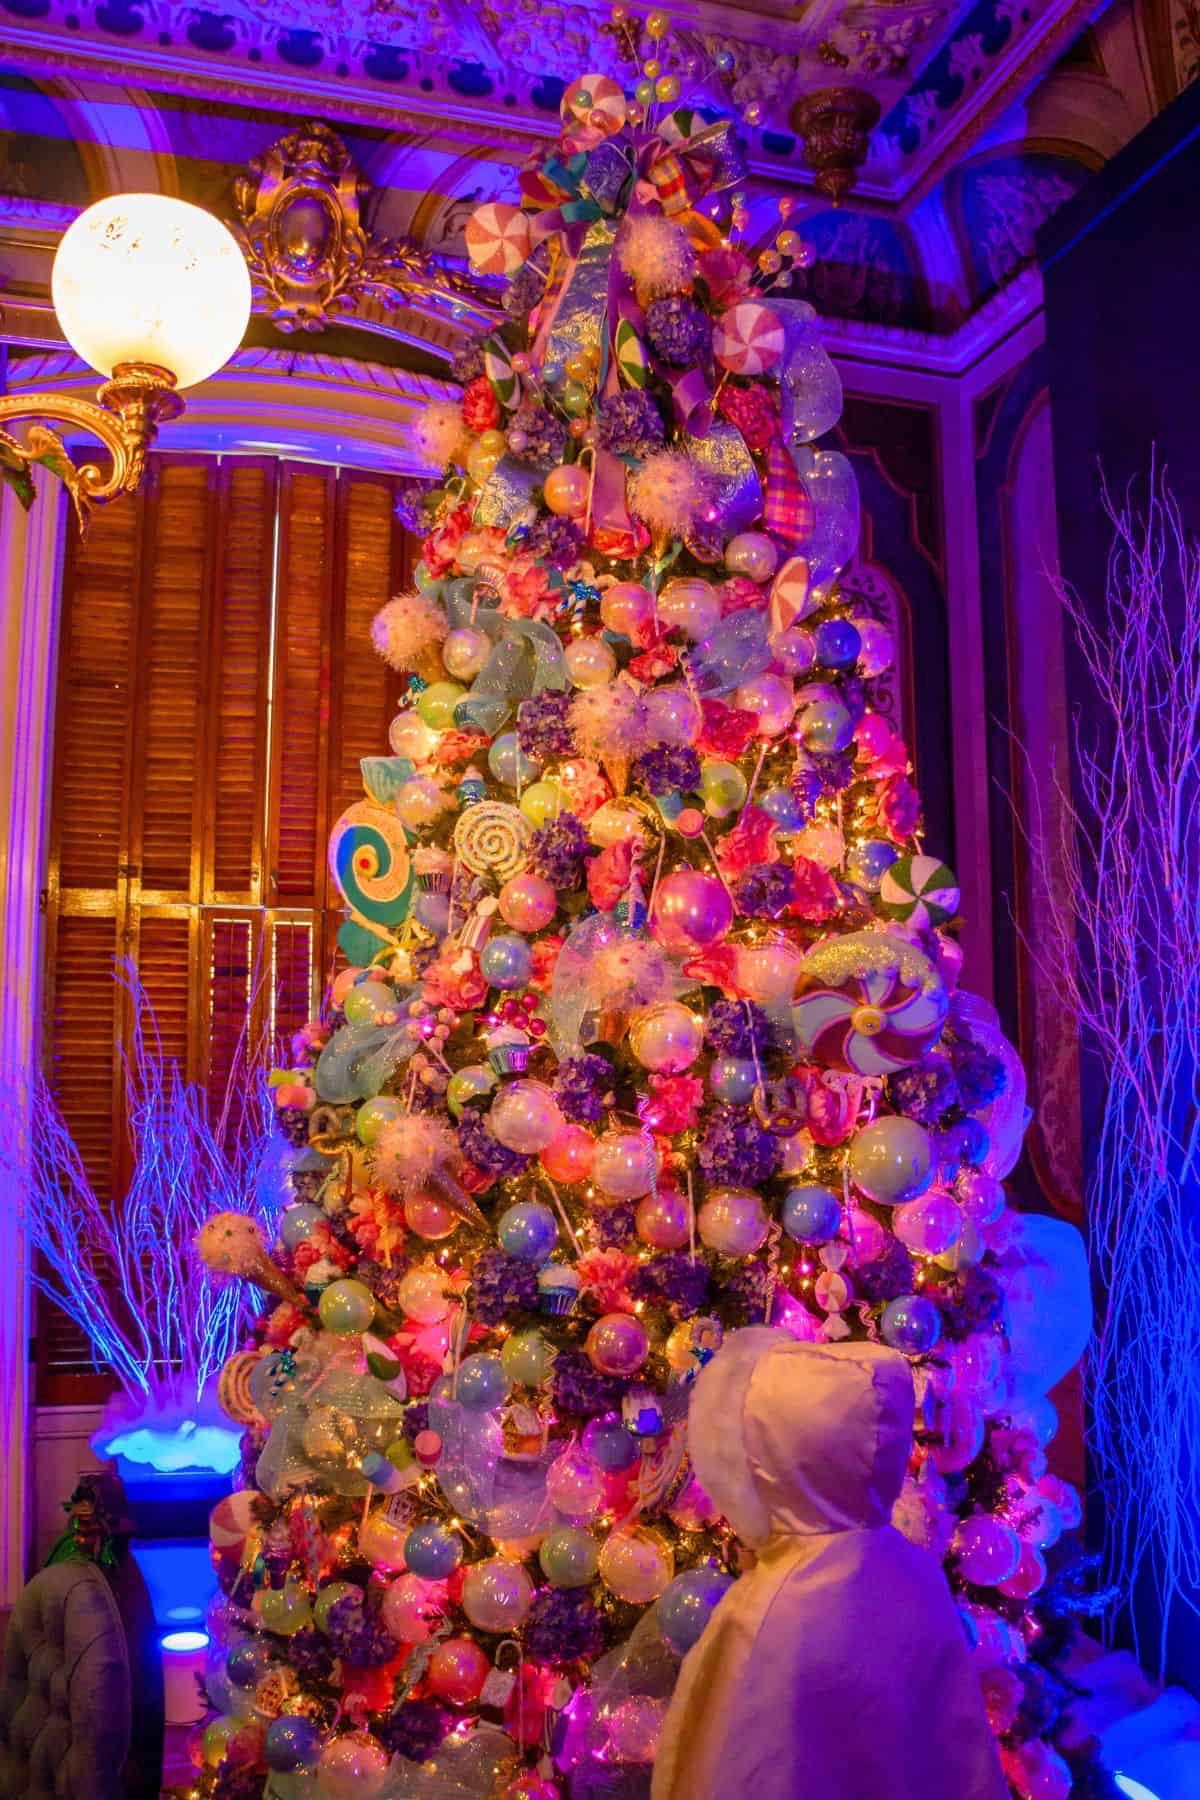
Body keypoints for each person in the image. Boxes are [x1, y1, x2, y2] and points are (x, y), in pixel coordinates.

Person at [652, 1329, 1009, 1800]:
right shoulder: (912, 1572)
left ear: (774, 1457)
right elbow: (957, 1751)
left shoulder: (771, 1611)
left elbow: (734, 1767)